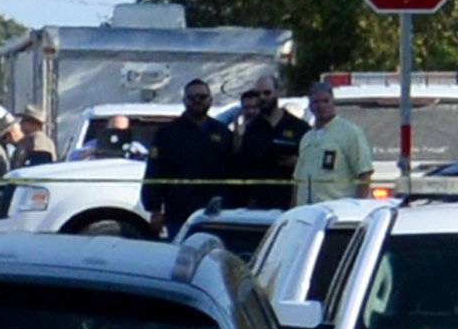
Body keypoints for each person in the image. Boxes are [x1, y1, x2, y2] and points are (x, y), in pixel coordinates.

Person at [142, 78, 234, 238]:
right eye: (192, 98)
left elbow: (233, 171)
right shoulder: (167, 133)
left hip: (215, 213)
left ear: (210, 100)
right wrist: (155, 210)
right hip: (179, 214)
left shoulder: (223, 133)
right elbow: (155, 172)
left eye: (202, 97)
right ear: (184, 101)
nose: (197, 101)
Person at [232, 78, 309, 208]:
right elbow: (242, 167)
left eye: (267, 93)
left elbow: (313, 163)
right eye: (258, 94)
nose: (262, 97)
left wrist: (297, 162)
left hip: (291, 203)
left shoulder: (299, 127)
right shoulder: (251, 129)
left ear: (277, 92)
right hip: (259, 205)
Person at [293, 82, 374, 206]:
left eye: (326, 101)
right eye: (316, 102)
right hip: (307, 212)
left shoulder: (350, 132)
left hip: (336, 211)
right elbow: (298, 180)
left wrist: (357, 208)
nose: (321, 106)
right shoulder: (307, 138)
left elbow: (364, 174)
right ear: (310, 106)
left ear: (333, 102)